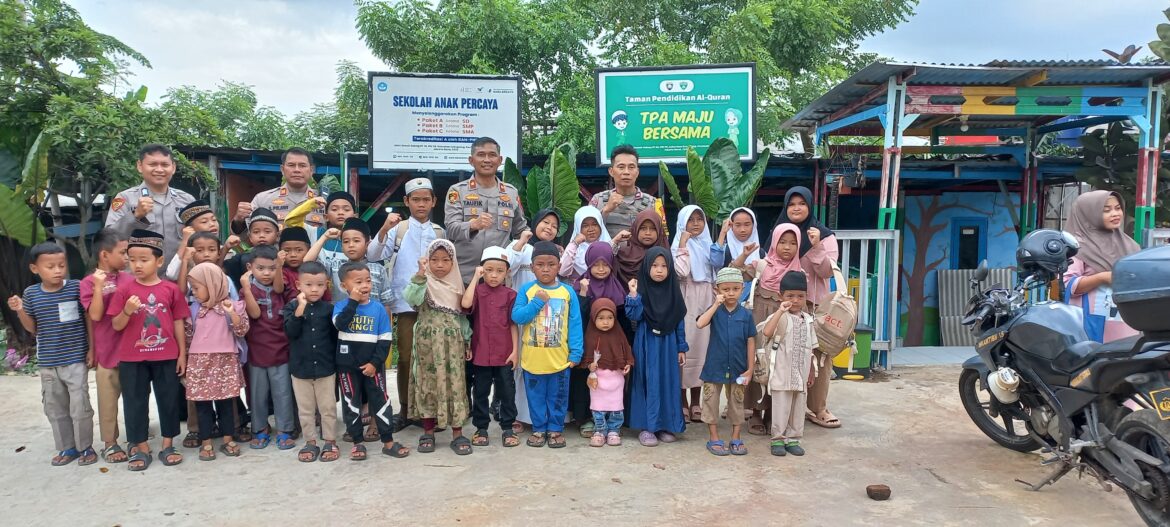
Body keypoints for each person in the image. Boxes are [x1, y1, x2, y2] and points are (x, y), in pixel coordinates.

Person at [107, 229, 191, 471]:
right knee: (134, 402)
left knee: (169, 400)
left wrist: (181, 354)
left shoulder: (170, 290)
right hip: (132, 357)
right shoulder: (124, 290)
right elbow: (116, 324)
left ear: (159, 261)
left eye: (144, 260)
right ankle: (141, 447)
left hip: (166, 355)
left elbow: (178, 322)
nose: (137, 265)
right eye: (132, 260)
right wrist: (127, 311)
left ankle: (168, 444)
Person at [8, 243, 96, 466]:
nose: (57, 270)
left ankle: (85, 447)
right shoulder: (31, 294)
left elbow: (88, 319)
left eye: (61, 265)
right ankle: (67, 448)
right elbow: (32, 328)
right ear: (35, 269)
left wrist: (92, 348)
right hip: (48, 362)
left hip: (75, 359)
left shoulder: (75, 287)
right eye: (50, 266)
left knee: (80, 406)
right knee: (55, 409)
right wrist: (19, 309)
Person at [369, 177, 444, 430]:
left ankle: (429, 412)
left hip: (433, 305)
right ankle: (405, 410)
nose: (421, 204)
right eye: (416, 199)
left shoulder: (439, 233)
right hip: (405, 305)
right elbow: (373, 255)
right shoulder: (397, 230)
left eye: (426, 199)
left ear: (434, 201)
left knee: (431, 358)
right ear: (406, 202)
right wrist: (383, 229)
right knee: (405, 359)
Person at [770, 187, 841, 430]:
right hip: (782, 304)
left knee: (818, 357)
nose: (796, 208)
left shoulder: (824, 235)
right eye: (792, 204)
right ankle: (777, 409)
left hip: (814, 306)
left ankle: (818, 407)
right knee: (781, 355)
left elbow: (827, 272)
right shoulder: (779, 232)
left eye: (802, 203)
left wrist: (817, 246)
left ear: (810, 206)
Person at [511, 241, 585, 449]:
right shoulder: (527, 290)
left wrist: (576, 353)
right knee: (535, 397)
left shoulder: (568, 292)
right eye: (540, 264)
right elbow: (517, 317)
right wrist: (536, 302)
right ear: (532, 267)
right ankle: (538, 429)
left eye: (551, 264)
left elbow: (575, 324)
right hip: (532, 360)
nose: (545, 269)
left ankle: (555, 429)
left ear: (559, 266)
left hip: (560, 361)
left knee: (558, 397)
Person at [333, 261, 409, 460]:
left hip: (373, 367)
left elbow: (385, 340)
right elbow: (340, 325)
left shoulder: (378, 310)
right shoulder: (340, 307)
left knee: (381, 401)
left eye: (368, 281)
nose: (365, 285)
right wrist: (353, 303)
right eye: (358, 282)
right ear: (344, 286)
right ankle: (357, 443)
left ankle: (388, 442)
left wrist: (375, 363)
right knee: (350, 404)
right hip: (347, 368)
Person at [404, 239, 473, 455]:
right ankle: (428, 432)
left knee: (455, 385)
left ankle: (457, 434)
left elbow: (462, 318)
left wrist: (467, 340)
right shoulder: (423, 283)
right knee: (427, 384)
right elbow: (411, 300)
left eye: (445, 260)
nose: (440, 265)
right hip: (427, 345)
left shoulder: (456, 287)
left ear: (453, 263)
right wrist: (420, 275)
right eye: (434, 260)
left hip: (452, 346)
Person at [184, 262, 248, 461]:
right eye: (192, 289)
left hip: (225, 361)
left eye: (196, 288)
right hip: (199, 362)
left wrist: (231, 313)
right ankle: (206, 441)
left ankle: (228, 438)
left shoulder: (233, 305)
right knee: (202, 405)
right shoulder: (194, 309)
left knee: (226, 403)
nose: (193, 293)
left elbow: (242, 330)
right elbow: (187, 337)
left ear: (212, 285)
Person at [625, 247, 688, 447]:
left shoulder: (674, 294)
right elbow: (633, 316)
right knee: (647, 381)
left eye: (664, 266)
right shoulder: (641, 291)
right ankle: (647, 426)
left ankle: (666, 425)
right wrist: (633, 295)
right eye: (654, 265)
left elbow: (679, 321)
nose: (659, 270)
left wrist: (681, 347)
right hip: (646, 343)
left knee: (667, 382)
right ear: (646, 268)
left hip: (668, 344)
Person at [444, 136, 529, 282]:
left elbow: (521, 231)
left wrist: (542, 244)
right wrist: (473, 225)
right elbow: (450, 229)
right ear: (471, 160)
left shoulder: (511, 193)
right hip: (464, 276)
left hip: (498, 278)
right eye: (481, 155)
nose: (487, 160)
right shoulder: (457, 191)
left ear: (500, 160)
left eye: (492, 155)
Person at [746, 223, 803, 435]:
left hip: (786, 324)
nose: (787, 247)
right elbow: (735, 273)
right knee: (760, 362)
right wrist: (743, 257)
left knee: (780, 367)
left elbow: (803, 301)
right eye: (782, 242)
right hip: (761, 321)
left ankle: (773, 415)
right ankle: (755, 413)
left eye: (793, 243)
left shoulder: (799, 271)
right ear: (774, 242)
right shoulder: (762, 265)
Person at [80, 228, 132, 464]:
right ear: (104, 255)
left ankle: (136, 438)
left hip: (133, 350)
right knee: (107, 399)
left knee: (135, 397)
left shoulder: (129, 277)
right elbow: (95, 315)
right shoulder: (88, 282)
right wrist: (99, 287)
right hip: (107, 350)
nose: (127, 257)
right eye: (122, 252)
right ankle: (110, 443)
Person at [1063, 190, 1142, 343]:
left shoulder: (1130, 244)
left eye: (1118, 208)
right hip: (1092, 323)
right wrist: (1102, 278)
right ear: (1089, 214)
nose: (1115, 213)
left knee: (1128, 359)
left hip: (1126, 319)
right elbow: (1067, 285)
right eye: (1106, 210)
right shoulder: (1076, 247)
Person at [460, 246, 520, 448]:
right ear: (482, 269)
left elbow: (513, 324)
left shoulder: (510, 294)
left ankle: (508, 427)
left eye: (500, 271)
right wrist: (476, 278)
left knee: (506, 391)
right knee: (480, 391)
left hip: (504, 352)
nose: (494, 275)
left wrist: (515, 351)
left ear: (507, 272)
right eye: (489, 270)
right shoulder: (477, 291)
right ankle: (481, 428)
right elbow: (466, 304)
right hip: (481, 352)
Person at [282, 261, 341, 463]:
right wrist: (300, 309)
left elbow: (335, 338)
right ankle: (310, 442)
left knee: (328, 408)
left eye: (319, 284)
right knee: (305, 409)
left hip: (326, 368)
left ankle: (330, 441)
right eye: (309, 285)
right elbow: (291, 332)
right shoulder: (291, 307)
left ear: (326, 285)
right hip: (300, 369)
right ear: (298, 285)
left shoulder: (329, 309)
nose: (314, 289)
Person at [570, 242, 631, 438]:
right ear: (588, 264)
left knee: (612, 383)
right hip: (588, 345)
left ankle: (612, 422)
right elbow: (577, 316)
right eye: (596, 265)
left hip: (611, 346)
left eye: (605, 264)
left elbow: (623, 322)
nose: (601, 269)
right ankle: (585, 419)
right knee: (585, 381)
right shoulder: (580, 285)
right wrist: (583, 294)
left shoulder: (617, 287)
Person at [240, 245, 296, 451]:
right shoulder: (247, 289)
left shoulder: (282, 287)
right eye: (261, 268)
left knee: (282, 392)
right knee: (257, 393)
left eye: (271, 268)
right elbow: (254, 315)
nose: (266, 273)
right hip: (256, 350)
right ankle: (260, 429)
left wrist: (279, 268)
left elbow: (280, 289)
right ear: (249, 267)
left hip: (281, 349)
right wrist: (246, 287)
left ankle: (285, 430)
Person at [695, 267, 756, 456]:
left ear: (742, 289)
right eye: (725, 289)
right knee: (711, 401)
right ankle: (714, 437)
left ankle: (736, 437)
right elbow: (700, 323)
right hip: (715, 366)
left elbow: (751, 341)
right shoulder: (715, 311)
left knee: (737, 402)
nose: (730, 293)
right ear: (717, 290)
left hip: (738, 367)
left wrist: (750, 369)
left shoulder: (746, 315)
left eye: (735, 289)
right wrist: (715, 304)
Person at [758, 271, 819, 457]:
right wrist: (780, 311)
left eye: (800, 296)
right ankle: (777, 439)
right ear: (780, 296)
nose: (795, 300)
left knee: (798, 408)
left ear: (806, 298)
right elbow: (767, 332)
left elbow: (812, 348)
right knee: (781, 409)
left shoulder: (808, 320)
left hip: (800, 374)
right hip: (781, 373)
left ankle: (793, 439)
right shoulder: (780, 317)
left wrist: (811, 372)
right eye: (790, 296)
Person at [105, 144, 196, 266]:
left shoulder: (186, 200)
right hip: (137, 280)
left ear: (173, 168)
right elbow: (109, 239)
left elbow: (201, 236)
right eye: (152, 164)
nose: (159, 169)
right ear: (140, 166)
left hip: (178, 278)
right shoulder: (125, 198)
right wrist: (135, 216)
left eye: (165, 165)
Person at [673, 204, 718, 424]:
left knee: (703, 348)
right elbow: (681, 271)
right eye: (691, 220)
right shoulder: (677, 246)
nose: (696, 224)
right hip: (686, 297)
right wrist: (683, 242)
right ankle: (681, 401)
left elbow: (716, 272)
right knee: (685, 347)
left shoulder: (710, 245)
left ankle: (696, 402)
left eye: (700, 219)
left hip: (706, 298)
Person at [231, 147, 325, 234]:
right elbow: (245, 236)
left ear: (311, 170)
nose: (297, 170)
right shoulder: (262, 200)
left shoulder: (324, 201)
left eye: (302, 165)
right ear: (282, 169)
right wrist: (238, 220)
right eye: (291, 165)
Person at [583, 298, 634, 447]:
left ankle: (614, 430)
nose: (606, 322)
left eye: (610, 318)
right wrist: (589, 365)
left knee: (616, 407)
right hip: (598, 380)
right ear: (593, 318)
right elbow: (586, 357)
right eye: (601, 318)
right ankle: (599, 431)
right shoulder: (590, 335)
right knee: (598, 407)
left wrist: (628, 364)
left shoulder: (618, 334)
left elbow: (627, 351)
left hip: (616, 380)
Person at [589, 145, 656, 238]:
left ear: (637, 172)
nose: (626, 172)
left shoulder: (653, 203)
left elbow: (662, 238)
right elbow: (586, 235)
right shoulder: (598, 200)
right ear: (611, 171)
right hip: (605, 252)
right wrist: (606, 210)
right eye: (621, 167)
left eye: (631, 167)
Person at [223, 208, 282, 288]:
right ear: (250, 237)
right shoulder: (242, 258)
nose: (261, 235)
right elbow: (218, 271)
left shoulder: (282, 257)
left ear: (277, 236)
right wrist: (225, 248)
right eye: (256, 232)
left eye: (267, 231)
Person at [507, 209, 562, 292]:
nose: (549, 227)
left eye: (554, 226)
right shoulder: (520, 245)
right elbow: (506, 269)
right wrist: (521, 243)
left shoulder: (555, 252)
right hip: (520, 301)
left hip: (545, 302)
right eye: (546, 222)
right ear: (536, 222)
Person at [714, 207, 762, 301]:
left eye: (747, 224)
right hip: (729, 299)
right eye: (737, 225)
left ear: (754, 225)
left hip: (754, 300)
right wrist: (723, 232)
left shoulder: (761, 252)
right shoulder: (725, 250)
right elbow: (716, 262)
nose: (742, 229)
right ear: (731, 226)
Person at [166, 199, 220, 281]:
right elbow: (171, 274)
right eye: (204, 222)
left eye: (214, 220)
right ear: (190, 228)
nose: (212, 224)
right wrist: (185, 241)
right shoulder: (187, 253)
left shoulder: (223, 249)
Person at [614, 208, 667, 286]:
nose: (648, 233)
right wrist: (615, 241)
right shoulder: (623, 252)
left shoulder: (664, 253)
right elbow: (603, 258)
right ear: (636, 229)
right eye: (643, 228)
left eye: (653, 229)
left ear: (659, 230)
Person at [560, 206, 611, 282]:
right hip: (578, 291)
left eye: (594, 224)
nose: (591, 229)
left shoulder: (608, 245)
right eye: (585, 226)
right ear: (578, 227)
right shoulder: (573, 248)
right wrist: (574, 244)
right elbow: (562, 271)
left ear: (600, 225)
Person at [278, 226, 315, 300]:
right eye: (287, 250)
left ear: (309, 250)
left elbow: (327, 299)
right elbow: (278, 289)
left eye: (299, 250)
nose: (293, 255)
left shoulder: (316, 270)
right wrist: (278, 266)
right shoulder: (282, 271)